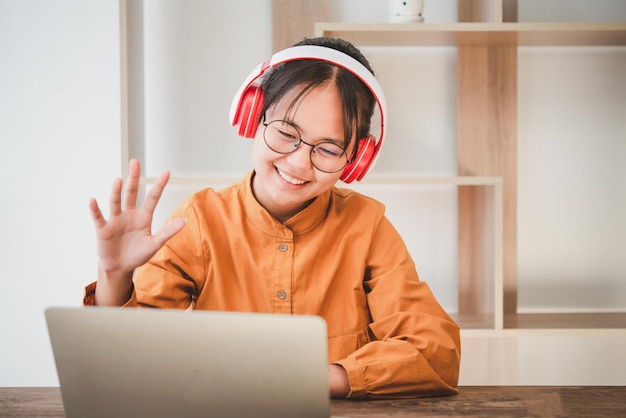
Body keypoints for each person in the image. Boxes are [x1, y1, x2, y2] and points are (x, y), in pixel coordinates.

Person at [85, 37, 461, 399]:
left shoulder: (368, 226)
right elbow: (130, 359)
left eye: (328, 148)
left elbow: (435, 352)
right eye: (285, 133)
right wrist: (115, 278)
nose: (299, 163)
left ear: (356, 159)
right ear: (251, 117)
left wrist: (313, 379)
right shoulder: (200, 221)